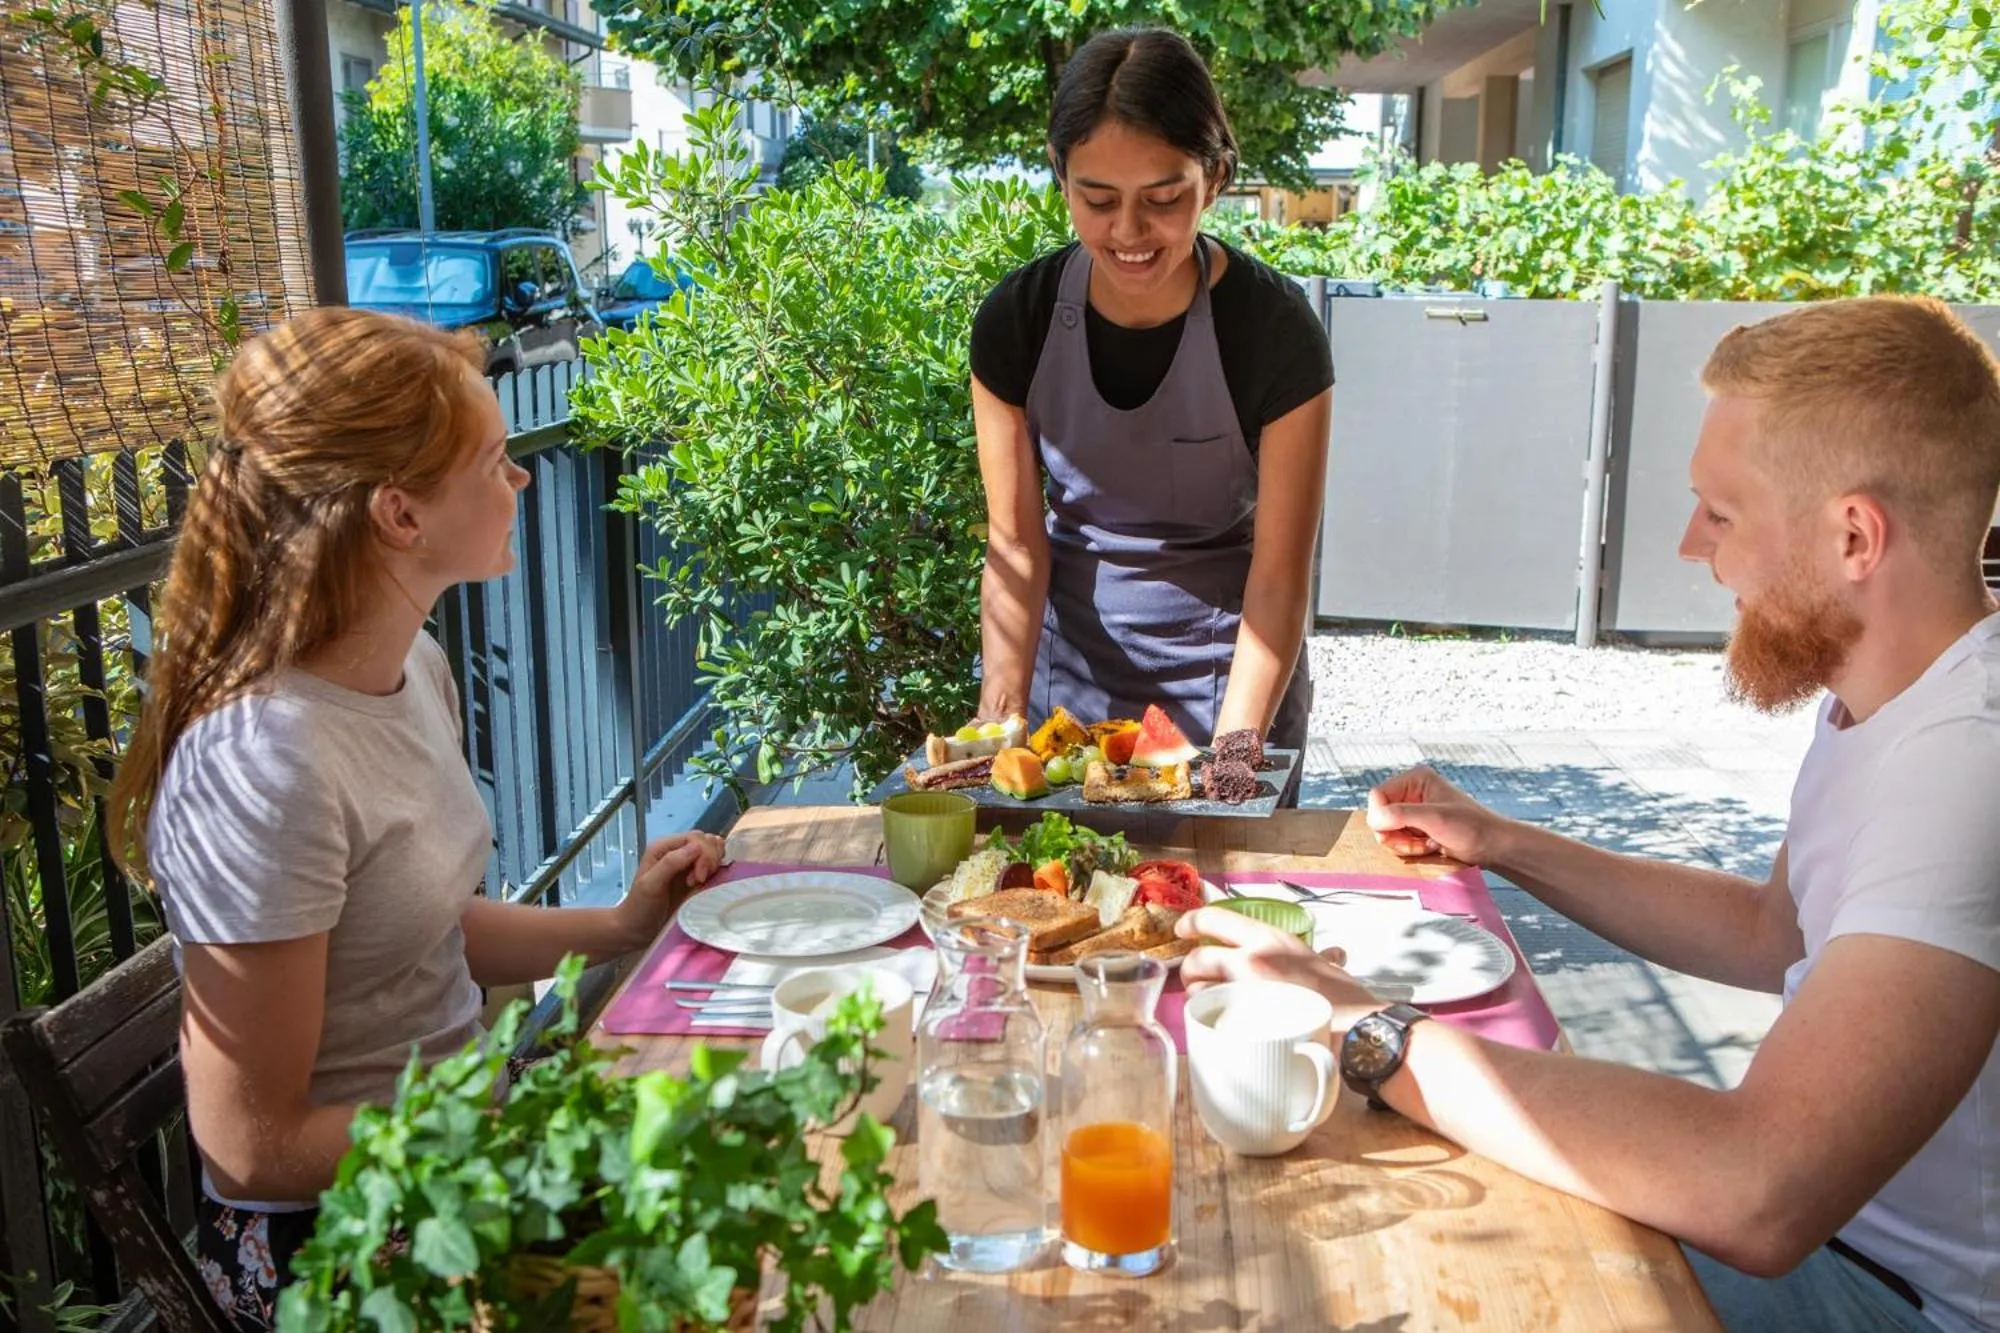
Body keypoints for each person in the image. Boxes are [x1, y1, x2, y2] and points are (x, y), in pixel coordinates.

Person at [1176, 296, 2000, 1333]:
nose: (1689, 545)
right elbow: (1772, 931)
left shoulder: (1964, 767)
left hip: (1894, 1300)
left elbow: (1758, 1186)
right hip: (1836, 1246)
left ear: (1852, 535)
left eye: (1722, 511)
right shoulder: (1884, 698)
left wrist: (1356, 1019)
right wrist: (1506, 844)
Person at [104, 308, 727, 1330]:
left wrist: (622, 924)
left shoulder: (410, 668)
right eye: (492, 461)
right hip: (344, 1245)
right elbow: (252, 1144)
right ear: (399, 514)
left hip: (459, 1153)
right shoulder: (264, 761)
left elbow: (415, 925)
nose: (521, 478)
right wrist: (502, 1111)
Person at [969, 28, 1334, 765]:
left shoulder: (1275, 330)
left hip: (1230, 688)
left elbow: (1279, 574)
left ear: (1217, 178)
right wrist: (998, 723)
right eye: (1096, 198)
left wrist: (1235, 754)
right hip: (1063, 696)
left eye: (1163, 198)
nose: (1128, 231)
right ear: (1059, 174)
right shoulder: (1018, 321)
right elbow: (1014, 545)